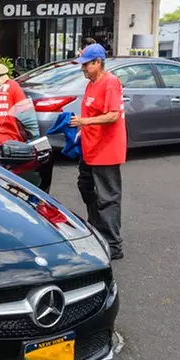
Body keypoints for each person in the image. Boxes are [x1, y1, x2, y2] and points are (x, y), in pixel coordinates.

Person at [69, 43, 126, 260]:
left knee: (107, 197)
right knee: (85, 185)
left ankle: (113, 243)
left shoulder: (110, 82)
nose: (82, 69)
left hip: (106, 149)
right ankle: (97, 228)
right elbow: (92, 112)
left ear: (98, 62)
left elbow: (112, 115)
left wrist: (84, 122)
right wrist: (82, 130)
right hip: (90, 146)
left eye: (86, 65)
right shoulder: (91, 84)